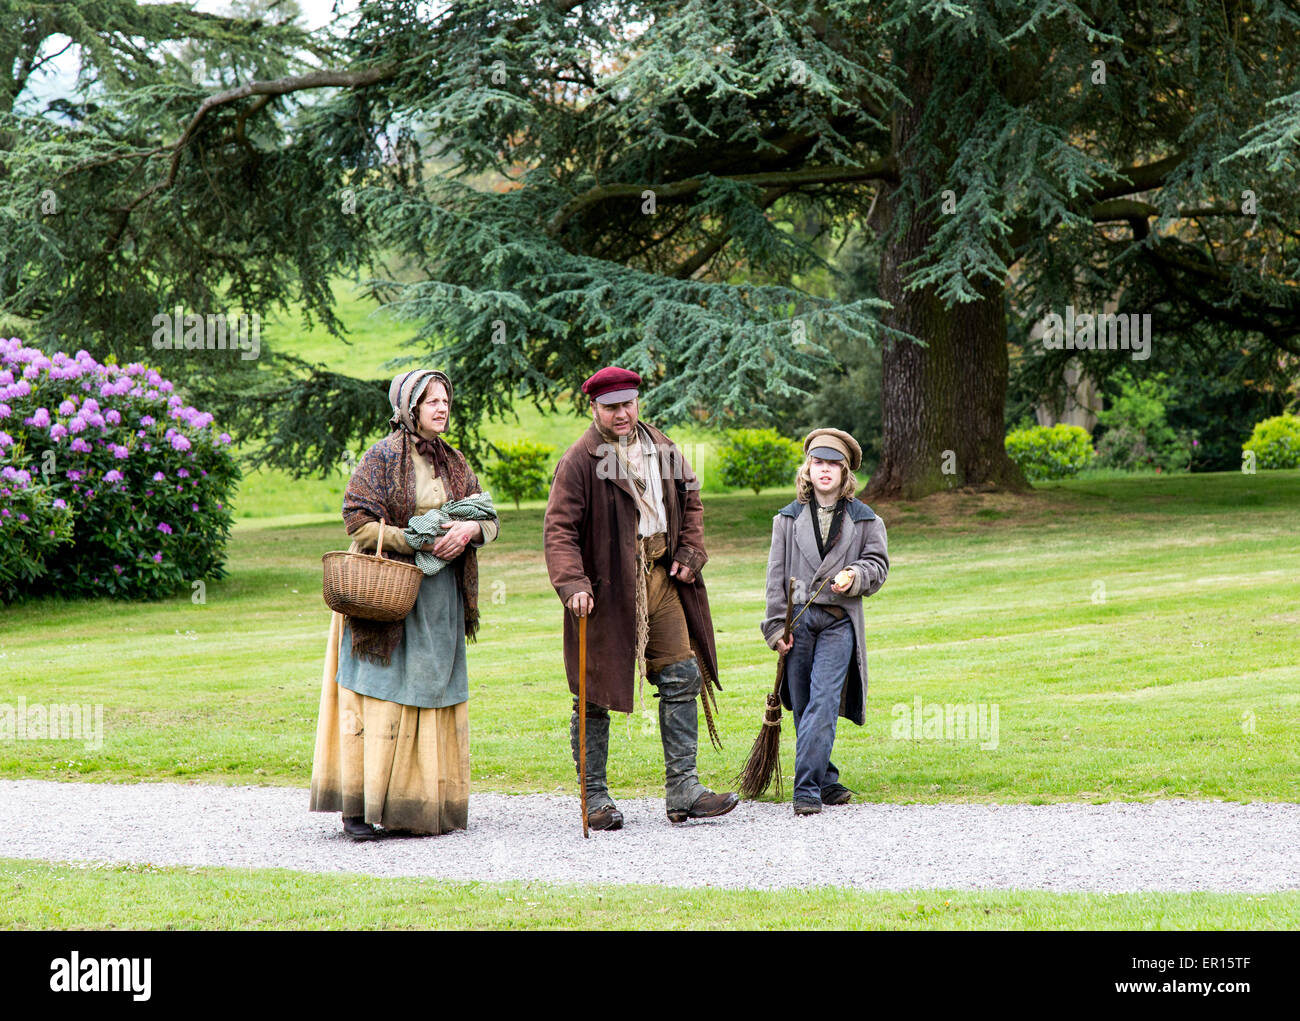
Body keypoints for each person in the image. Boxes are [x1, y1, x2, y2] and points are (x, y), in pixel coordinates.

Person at [544, 366, 738, 829]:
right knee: (593, 692)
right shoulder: (580, 460)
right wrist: (573, 584)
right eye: (611, 407)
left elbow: (691, 498)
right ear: (594, 408)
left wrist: (691, 549)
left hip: (661, 577)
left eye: (628, 404)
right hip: (606, 588)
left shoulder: (662, 446)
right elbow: (559, 530)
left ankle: (684, 789)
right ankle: (595, 798)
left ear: (637, 403)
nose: (621, 414)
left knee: (681, 674)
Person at [310, 369, 499, 840]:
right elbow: (357, 521)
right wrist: (413, 541)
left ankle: (415, 808)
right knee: (380, 696)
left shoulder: (453, 461)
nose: (441, 408)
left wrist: (469, 531)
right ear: (408, 407)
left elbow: (487, 514)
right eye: (430, 400)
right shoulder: (381, 457)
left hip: (440, 600)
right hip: (387, 596)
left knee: (430, 694)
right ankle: (358, 808)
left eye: (446, 401)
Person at [761, 428, 888, 815]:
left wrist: (855, 575)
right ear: (808, 469)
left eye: (834, 463)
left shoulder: (865, 520)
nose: (825, 470)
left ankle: (807, 789)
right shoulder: (786, 520)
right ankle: (827, 777)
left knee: (823, 702)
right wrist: (773, 628)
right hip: (797, 623)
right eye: (819, 462)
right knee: (802, 706)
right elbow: (775, 577)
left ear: (845, 472)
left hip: (838, 622)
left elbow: (878, 566)